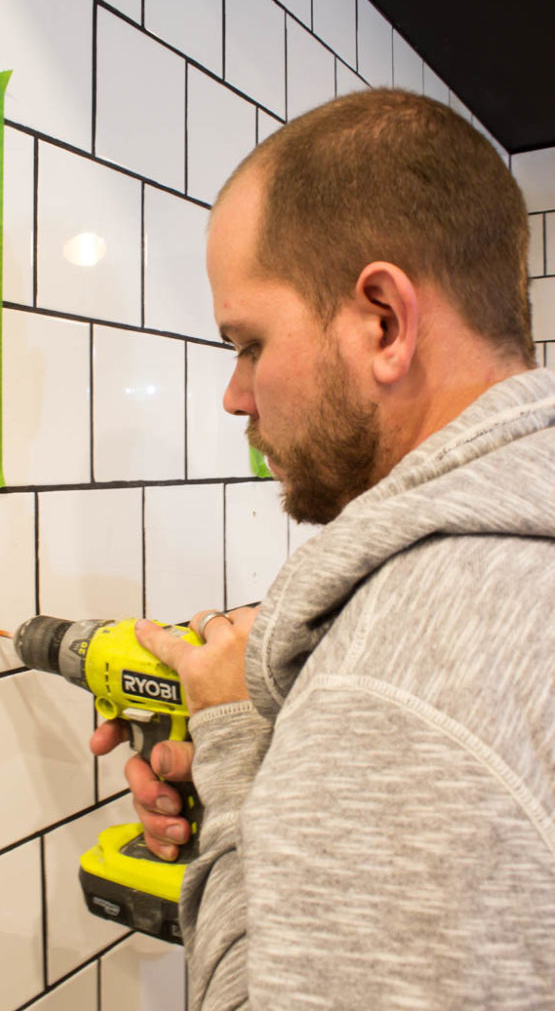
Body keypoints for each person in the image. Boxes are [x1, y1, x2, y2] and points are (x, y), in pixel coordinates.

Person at [91, 89, 555, 1009]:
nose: (235, 396)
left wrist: (228, 733)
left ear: (381, 319)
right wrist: (293, 761)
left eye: (249, 343)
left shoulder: (398, 685)